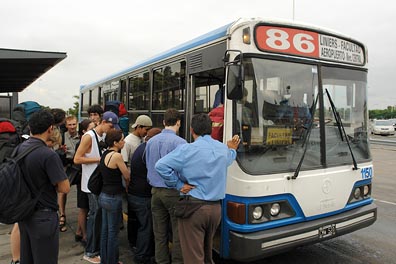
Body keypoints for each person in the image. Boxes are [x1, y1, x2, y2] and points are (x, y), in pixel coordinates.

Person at [155, 113, 240, 264]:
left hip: (194, 209)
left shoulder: (187, 150)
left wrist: (179, 185)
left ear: (191, 130)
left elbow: (160, 166)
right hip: (216, 211)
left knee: (193, 257)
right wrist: (232, 149)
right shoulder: (222, 149)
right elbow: (229, 159)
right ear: (211, 130)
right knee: (207, 254)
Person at [17, 109, 70, 264]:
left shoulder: (20, 148)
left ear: (31, 128)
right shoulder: (48, 154)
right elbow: (65, 188)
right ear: (50, 129)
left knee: (27, 258)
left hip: (24, 213)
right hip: (43, 217)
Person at [74, 111, 120, 264]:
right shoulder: (89, 136)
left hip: (98, 184)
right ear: (103, 122)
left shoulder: (101, 137)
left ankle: (97, 250)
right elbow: (77, 159)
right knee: (94, 218)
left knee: (99, 219)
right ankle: (90, 251)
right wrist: (99, 159)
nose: (112, 129)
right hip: (90, 185)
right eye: (110, 125)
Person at [145, 108, 186, 264]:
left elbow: (148, 164)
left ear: (163, 122)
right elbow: (184, 170)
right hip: (173, 192)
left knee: (159, 232)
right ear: (178, 123)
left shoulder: (151, 142)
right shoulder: (181, 143)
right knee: (178, 233)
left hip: (155, 192)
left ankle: (161, 261)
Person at [128, 127, 162, 264]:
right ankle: (142, 257)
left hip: (134, 193)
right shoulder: (148, 151)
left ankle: (140, 250)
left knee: (141, 225)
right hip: (142, 196)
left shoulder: (141, 147)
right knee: (146, 228)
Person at [98, 129, 130, 264]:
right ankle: (112, 261)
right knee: (113, 233)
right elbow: (126, 175)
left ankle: (104, 259)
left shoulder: (105, 153)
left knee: (105, 230)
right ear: (115, 142)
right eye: (122, 139)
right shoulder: (117, 156)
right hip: (113, 197)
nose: (124, 142)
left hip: (103, 195)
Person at [121, 114, 152, 249]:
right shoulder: (128, 142)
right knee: (134, 218)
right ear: (138, 127)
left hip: (138, 183)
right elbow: (123, 164)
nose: (147, 133)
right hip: (132, 184)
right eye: (146, 129)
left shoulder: (141, 139)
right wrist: (127, 185)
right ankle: (133, 242)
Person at [75, 119, 96, 245]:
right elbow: (77, 159)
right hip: (83, 179)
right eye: (91, 128)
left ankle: (79, 231)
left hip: (86, 179)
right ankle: (85, 236)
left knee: (85, 208)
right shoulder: (83, 142)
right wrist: (98, 159)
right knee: (84, 208)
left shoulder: (91, 140)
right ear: (84, 131)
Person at [58, 115, 79, 233]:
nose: (72, 127)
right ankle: (62, 214)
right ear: (66, 125)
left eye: (74, 124)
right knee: (63, 191)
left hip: (79, 166)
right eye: (69, 124)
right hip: (66, 166)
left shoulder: (82, 135)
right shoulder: (61, 137)